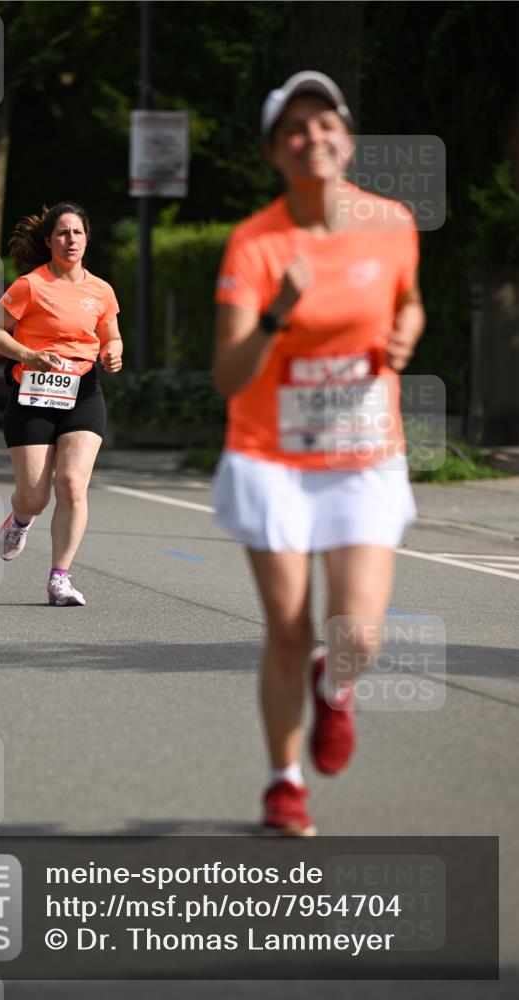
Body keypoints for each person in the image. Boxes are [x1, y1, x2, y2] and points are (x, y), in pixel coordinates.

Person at [212, 72, 425, 835]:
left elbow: (405, 297)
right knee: (290, 626)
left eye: (325, 123)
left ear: (347, 139)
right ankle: (283, 783)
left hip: (363, 451)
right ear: (274, 151)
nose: (313, 138)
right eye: (295, 129)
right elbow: (227, 374)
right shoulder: (255, 243)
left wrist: (407, 329)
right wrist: (275, 314)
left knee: (355, 634)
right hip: (271, 454)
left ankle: (334, 690)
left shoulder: (391, 223)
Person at [0, 202, 123, 606]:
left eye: (77, 232)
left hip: (83, 392)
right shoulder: (30, 285)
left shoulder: (100, 289)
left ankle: (59, 577)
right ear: (48, 240)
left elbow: (111, 336)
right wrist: (28, 355)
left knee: (73, 485)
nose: (71, 240)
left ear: (87, 238)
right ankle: (20, 519)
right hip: (33, 395)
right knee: (35, 496)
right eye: (62, 233)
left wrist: (113, 352)